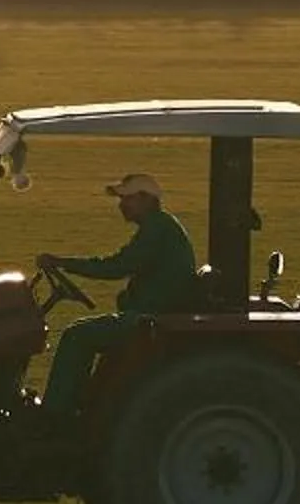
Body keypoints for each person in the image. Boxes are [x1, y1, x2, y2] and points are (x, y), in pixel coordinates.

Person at [36, 170, 198, 416]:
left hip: (150, 319)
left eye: (127, 198)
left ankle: (54, 415)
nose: (122, 205)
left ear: (146, 199)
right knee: (83, 332)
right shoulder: (159, 226)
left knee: (76, 335)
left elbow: (116, 267)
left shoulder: (158, 229)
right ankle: (75, 403)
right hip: (150, 314)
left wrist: (62, 262)